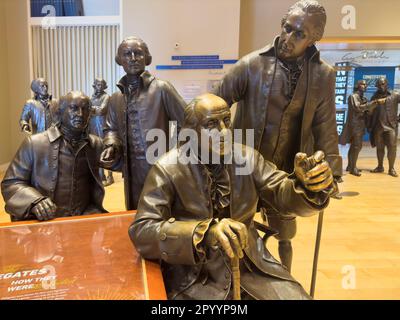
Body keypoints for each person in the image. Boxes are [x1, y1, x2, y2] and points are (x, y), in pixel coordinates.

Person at [129, 93, 336, 300]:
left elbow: (281, 191)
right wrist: (202, 233)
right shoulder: (168, 169)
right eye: (211, 124)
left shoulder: (247, 158)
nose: (224, 131)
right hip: (194, 275)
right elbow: (142, 231)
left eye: (226, 121)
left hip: (252, 266)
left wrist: (307, 187)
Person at [213, 0, 342, 271]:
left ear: (314, 38)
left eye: (299, 34)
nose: (288, 38)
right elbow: (214, 105)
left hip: (286, 172)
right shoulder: (251, 65)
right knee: (241, 234)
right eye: (287, 28)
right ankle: (240, 282)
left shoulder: (323, 75)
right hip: (244, 169)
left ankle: (284, 281)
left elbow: (325, 128)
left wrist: (331, 174)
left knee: (285, 237)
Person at [100, 36, 186, 210]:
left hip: (160, 164)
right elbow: (111, 128)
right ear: (119, 60)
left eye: (138, 53)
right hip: (130, 168)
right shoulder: (116, 98)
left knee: (161, 209)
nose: (133, 58)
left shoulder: (162, 89)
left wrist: (176, 154)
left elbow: (187, 121)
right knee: (135, 211)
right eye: (127, 54)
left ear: (147, 58)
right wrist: (111, 144)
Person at [1, 91, 107, 222]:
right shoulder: (34, 144)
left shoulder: (95, 144)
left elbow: (118, 164)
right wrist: (35, 201)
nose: (80, 114)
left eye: (85, 109)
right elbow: (11, 183)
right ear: (59, 112)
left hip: (83, 217)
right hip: (46, 221)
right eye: (73, 108)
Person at [340, 80, 380, 176]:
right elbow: (358, 108)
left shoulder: (364, 98)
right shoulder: (353, 96)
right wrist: (372, 104)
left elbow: (366, 111)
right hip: (354, 125)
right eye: (362, 84)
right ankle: (353, 168)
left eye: (365, 84)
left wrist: (371, 110)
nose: (364, 85)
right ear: (357, 86)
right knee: (357, 146)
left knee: (355, 146)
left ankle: (350, 165)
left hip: (361, 125)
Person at [368, 77, 400, 177]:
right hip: (378, 127)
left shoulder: (395, 95)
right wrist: (370, 126)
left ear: (387, 84)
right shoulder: (374, 97)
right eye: (379, 85)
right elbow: (370, 112)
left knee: (392, 148)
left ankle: (391, 168)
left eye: (383, 84)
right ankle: (380, 166)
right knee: (380, 148)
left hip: (391, 126)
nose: (381, 86)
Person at [89, 78, 114, 186]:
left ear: (104, 87)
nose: (99, 86)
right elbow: (89, 109)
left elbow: (102, 110)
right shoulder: (92, 97)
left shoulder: (106, 97)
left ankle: (110, 176)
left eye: (101, 85)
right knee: (95, 148)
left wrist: (92, 109)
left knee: (106, 149)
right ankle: (100, 175)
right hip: (93, 124)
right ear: (94, 86)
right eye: (97, 84)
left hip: (102, 125)